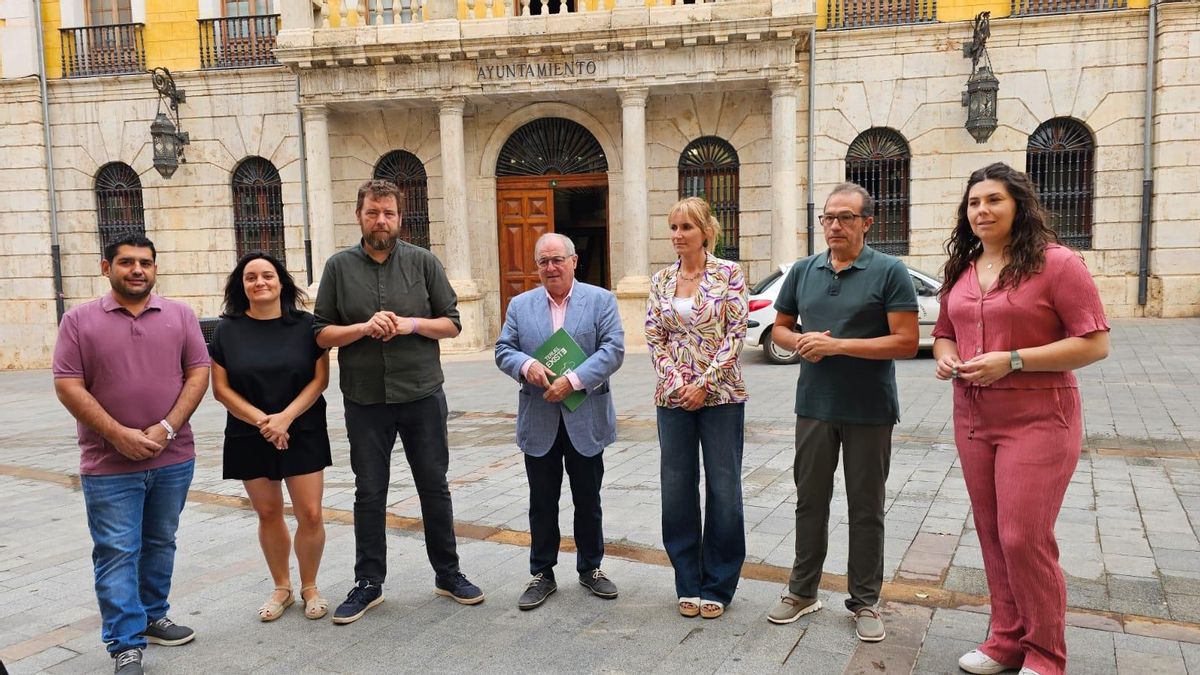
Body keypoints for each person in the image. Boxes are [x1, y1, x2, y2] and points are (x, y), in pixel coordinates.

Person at [933, 163, 1109, 675]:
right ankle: (1006, 640)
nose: (981, 211)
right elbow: (946, 329)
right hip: (972, 416)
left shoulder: (1056, 264)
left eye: (993, 200)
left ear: (1019, 205)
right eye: (973, 203)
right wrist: (947, 356)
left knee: (1023, 536)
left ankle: (1047, 654)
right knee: (991, 532)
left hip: (1039, 417)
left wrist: (1013, 359)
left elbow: (1095, 343)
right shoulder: (963, 268)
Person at [314, 179, 483, 625]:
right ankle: (369, 582)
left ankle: (448, 573)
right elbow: (320, 332)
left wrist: (409, 325)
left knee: (434, 485)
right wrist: (363, 328)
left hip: (422, 394)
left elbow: (452, 324)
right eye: (373, 212)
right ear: (359, 215)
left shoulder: (424, 262)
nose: (381, 221)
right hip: (365, 399)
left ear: (400, 217)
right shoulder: (337, 267)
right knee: (369, 491)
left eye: (388, 213)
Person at [766, 183, 919, 642]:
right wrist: (799, 343)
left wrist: (838, 346)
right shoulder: (803, 271)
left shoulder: (890, 271)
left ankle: (865, 601)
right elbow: (779, 329)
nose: (834, 225)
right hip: (813, 405)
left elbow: (906, 342)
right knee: (810, 500)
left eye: (846, 217)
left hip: (869, 409)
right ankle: (802, 590)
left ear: (867, 223)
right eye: (828, 217)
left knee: (866, 507)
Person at [52, 234, 210, 675]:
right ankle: (125, 642)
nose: (137, 269)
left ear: (155, 268)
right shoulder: (79, 321)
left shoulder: (180, 315)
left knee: (161, 541)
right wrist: (118, 434)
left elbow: (199, 372)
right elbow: (68, 384)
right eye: (126, 262)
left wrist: (166, 427)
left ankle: (154, 614)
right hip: (108, 464)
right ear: (107, 268)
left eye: (145, 262)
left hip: (173, 456)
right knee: (117, 550)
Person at [495, 232, 625, 610]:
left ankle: (591, 568)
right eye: (543, 262)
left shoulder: (601, 300)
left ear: (573, 261)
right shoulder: (520, 306)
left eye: (557, 260)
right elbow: (504, 350)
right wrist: (527, 365)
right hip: (539, 419)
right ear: (537, 267)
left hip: (585, 416)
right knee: (541, 501)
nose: (550, 267)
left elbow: (613, 349)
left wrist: (573, 379)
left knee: (588, 499)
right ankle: (542, 573)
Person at [209, 252, 332, 622]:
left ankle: (310, 585)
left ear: (281, 281)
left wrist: (286, 418)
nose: (259, 282)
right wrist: (266, 422)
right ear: (241, 286)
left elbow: (320, 379)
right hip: (249, 430)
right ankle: (282, 586)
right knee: (267, 512)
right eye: (251, 277)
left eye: (267, 275)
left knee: (310, 512)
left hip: (303, 427)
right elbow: (221, 389)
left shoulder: (307, 326)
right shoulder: (226, 329)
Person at [644, 197, 748, 620]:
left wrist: (704, 384)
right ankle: (687, 580)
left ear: (707, 231)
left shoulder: (730, 274)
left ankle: (719, 583)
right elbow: (654, 334)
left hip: (721, 397)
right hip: (672, 399)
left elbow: (737, 333)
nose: (677, 236)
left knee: (724, 490)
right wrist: (677, 382)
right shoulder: (661, 279)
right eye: (673, 228)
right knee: (677, 489)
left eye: (686, 227)